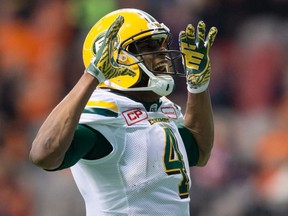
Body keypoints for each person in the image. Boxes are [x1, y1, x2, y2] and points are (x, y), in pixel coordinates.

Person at [29, 8, 217, 216]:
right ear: (116, 57)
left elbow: (200, 153)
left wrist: (198, 87)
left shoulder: (161, 108)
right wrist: (91, 76)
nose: (163, 53)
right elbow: (43, 154)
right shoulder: (106, 111)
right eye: (149, 46)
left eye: (162, 44)